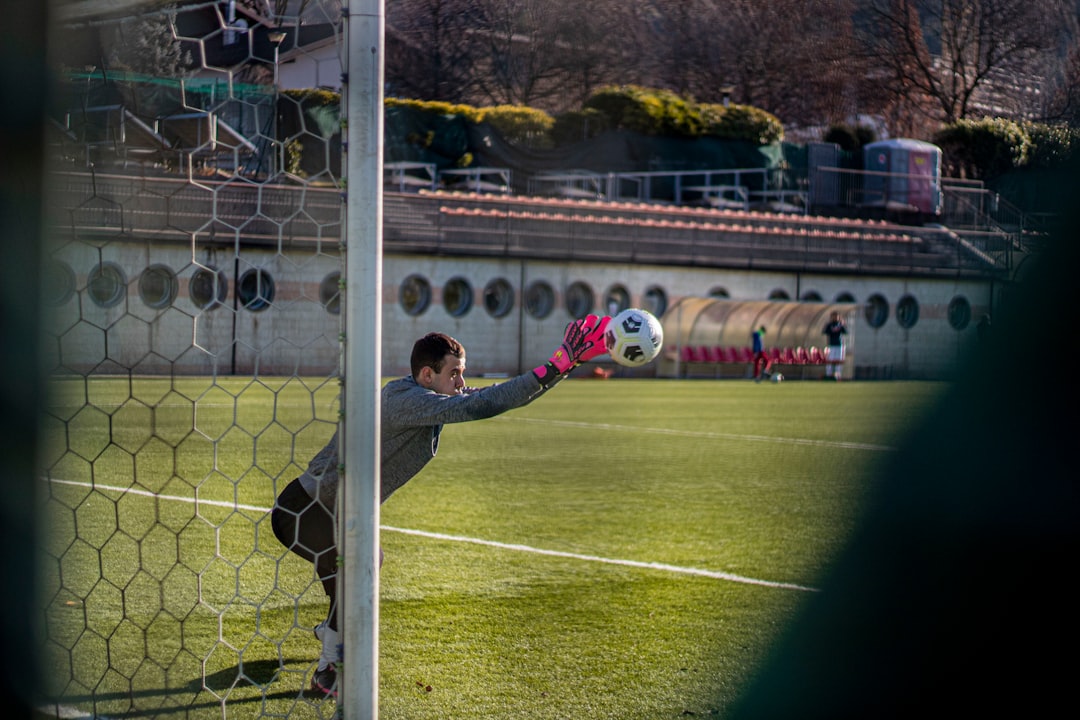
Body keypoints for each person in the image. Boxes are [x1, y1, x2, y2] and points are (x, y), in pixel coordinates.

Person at [270, 315, 610, 698]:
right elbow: (482, 404)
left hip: (334, 514)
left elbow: (495, 395)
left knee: (360, 570)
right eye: (455, 373)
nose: (461, 383)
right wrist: (557, 361)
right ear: (428, 375)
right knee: (364, 566)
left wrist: (562, 368)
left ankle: (331, 633)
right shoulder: (408, 402)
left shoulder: (423, 396)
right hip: (305, 510)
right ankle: (329, 667)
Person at [822, 311, 848, 381]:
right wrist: (826, 325)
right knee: (829, 360)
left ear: (839, 317)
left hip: (839, 345)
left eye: (836, 316)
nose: (835, 317)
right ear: (831, 317)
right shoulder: (829, 325)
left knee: (838, 361)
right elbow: (824, 332)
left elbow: (846, 332)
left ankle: (838, 375)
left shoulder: (840, 324)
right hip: (831, 345)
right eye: (833, 316)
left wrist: (843, 325)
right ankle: (829, 374)